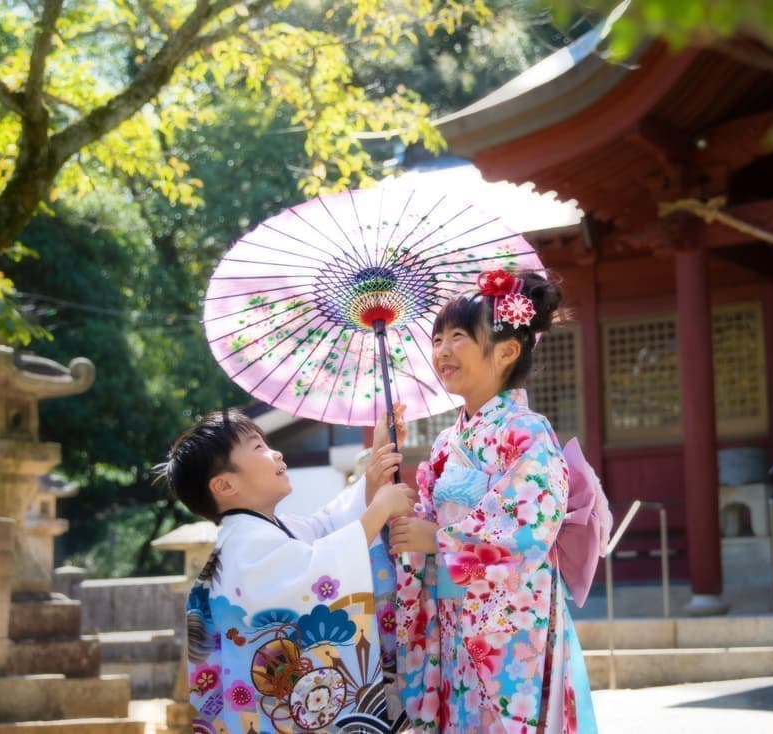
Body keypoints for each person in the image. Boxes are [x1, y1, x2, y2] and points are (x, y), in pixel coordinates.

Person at [390, 269, 598, 732]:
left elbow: (528, 528)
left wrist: (437, 540)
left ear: (506, 351)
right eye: (437, 338)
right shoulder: (446, 442)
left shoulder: (526, 431)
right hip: (452, 619)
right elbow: (419, 525)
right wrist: (390, 490)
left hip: (508, 627)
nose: (442, 350)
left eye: (458, 337)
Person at [159, 407, 415, 734]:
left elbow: (330, 526)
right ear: (224, 485)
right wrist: (379, 508)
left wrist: (376, 466)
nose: (276, 453)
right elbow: (316, 569)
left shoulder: (268, 531)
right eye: (258, 447)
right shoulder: (244, 547)